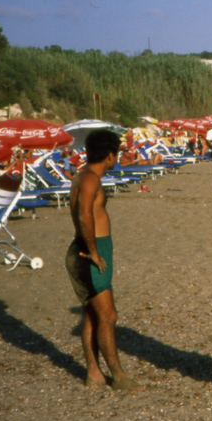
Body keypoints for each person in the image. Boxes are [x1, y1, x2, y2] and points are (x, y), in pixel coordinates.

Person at [65, 129, 143, 392]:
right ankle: (118, 376)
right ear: (109, 155)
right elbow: (85, 216)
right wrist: (95, 252)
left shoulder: (83, 176)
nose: (118, 158)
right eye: (117, 154)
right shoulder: (89, 180)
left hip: (90, 248)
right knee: (108, 315)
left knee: (92, 314)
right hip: (90, 250)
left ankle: (94, 373)